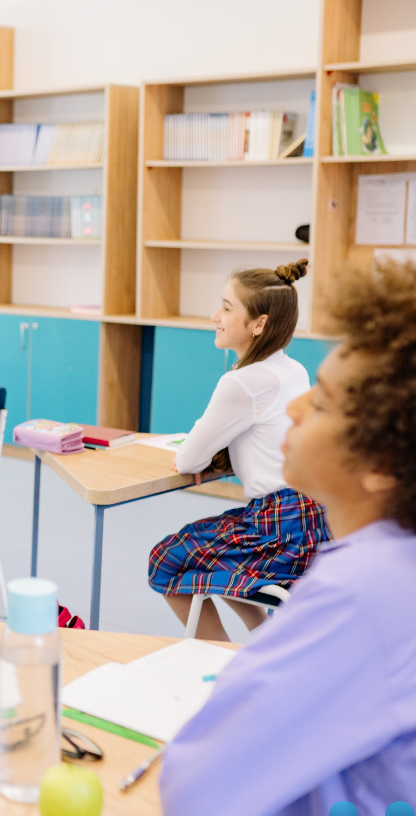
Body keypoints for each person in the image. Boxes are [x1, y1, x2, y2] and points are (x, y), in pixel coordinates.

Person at [159, 259, 416, 816]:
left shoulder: (360, 592)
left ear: (382, 467)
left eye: (322, 405)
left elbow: (195, 795)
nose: (296, 410)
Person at [148, 259, 330, 641]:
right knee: (218, 555)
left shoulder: (242, 381)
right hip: (315, 517)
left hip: (278, 528)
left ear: (259, 324)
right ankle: (261, 642)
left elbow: (188, 459)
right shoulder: (292, 369)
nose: (216, 316)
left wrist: (201, 457)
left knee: (165, 560)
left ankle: (220, 657)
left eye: (227, 309)